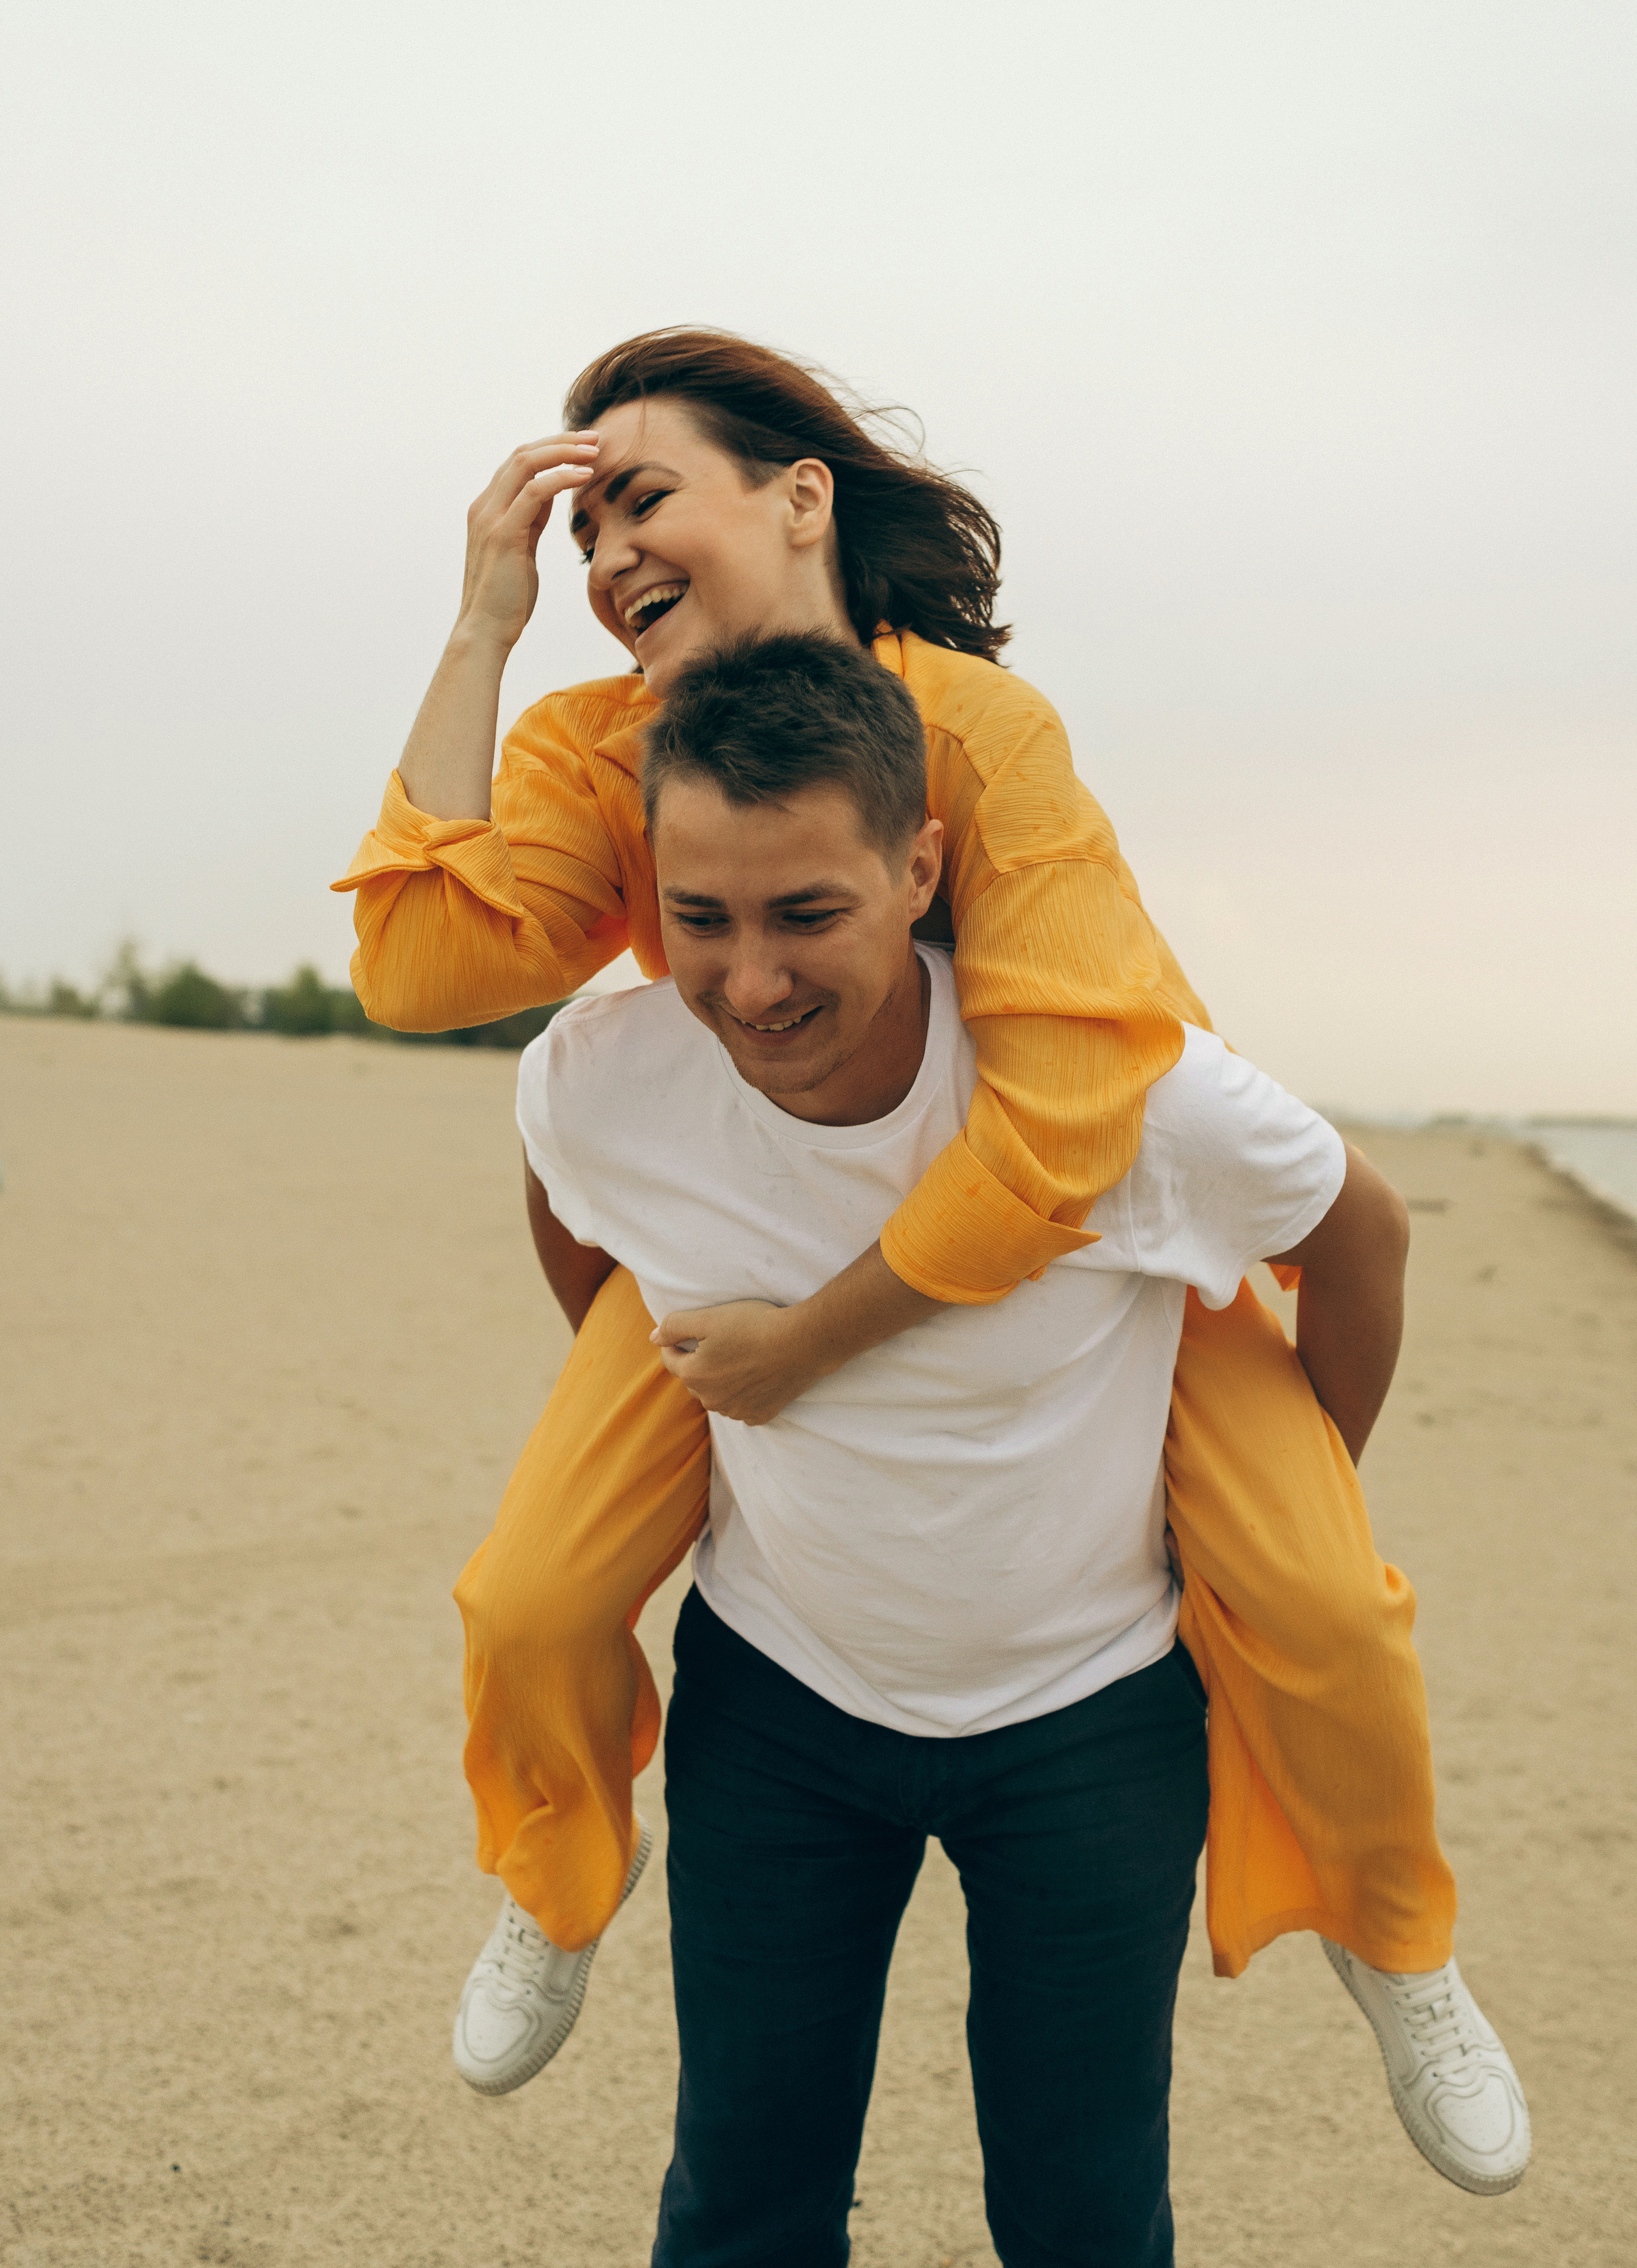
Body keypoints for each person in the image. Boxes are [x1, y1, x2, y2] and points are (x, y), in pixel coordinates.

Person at [333, 327, 1528, 2196]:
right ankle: (563, 1872)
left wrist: (816, 1347)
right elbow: (419, 977)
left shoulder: (975, 728)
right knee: (535, 1599)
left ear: (801, 495)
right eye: (576, 534)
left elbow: (1056, 1121)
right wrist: (485, 626)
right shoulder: (598, 745)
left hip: (1093, 1225)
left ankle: (1397, 1944)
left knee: (1319, 1608)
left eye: (641, 493)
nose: (605, 552)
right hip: (768, 1226)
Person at [511, 631, 1500, 2263]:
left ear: (919, 869)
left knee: (1081, 2209)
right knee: (741, 2196)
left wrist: (1298, 1482)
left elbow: (1360, 1232)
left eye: (804, 914)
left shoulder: (1134, 1102)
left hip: (1089, 1724)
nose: (749, 982)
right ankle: (552, 1875)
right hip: (777, 1703)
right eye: (701, 919)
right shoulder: (600, 1081)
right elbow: (568, 1203)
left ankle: (1394, 1949)